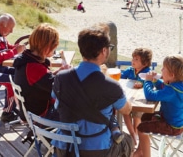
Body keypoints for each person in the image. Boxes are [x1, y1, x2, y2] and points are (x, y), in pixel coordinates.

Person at [51, 25, 135, 156]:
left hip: (65, 147)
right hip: (96, 150)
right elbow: (126, 110)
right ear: (104, 51)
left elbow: (56, 99)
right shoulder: (111, 86)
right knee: (129, 141)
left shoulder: (61, 78)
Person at [134, 55, 183, 157]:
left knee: (141, 128)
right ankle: (142, 149)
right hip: (176, 122)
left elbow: (150, 96)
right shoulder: (177, 85)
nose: (161, 70)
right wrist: (155, 80)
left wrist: (148, 81)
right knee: (145, 117)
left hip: (171, 126)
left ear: (172, 75)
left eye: (164, 68)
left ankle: (143, 153)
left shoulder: (171, 91)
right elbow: (163, 87)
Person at [13, 24, 70, 122]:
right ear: (47, 46)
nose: (55, 49)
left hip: (29, 110)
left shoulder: (26, 60)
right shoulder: (34, 68)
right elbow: (57, 89)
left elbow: (43, 80)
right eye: (54, 46)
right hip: (40, 115)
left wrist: (59, 72)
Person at [120, 48, 153, 133]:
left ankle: (137, 133)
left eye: (136, 59)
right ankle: (132, 134)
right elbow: (121, 78)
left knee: (136, 116)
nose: (133, 60)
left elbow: (146, 80)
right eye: (133, 58)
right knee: (125, 112)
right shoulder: (130, 70)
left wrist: (141, 82)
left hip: (140, 100)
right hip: (129, 98)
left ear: (145, 63)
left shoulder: (147, 72)